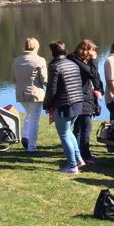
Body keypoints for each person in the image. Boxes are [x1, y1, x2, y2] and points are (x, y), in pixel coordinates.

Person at [43, 41, 85, 173]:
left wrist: (46, 105)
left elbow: (51, 90)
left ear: (52, 53)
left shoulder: (54, 66)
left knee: (64, 134)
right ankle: (78, 159)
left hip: (64, 105)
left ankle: (72, 166)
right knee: (68, 131)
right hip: (78, 103)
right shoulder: (73, 64)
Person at [68, 39, 103, 166]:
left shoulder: (76, 59)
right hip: (81, 98)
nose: (93, 53)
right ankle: (84, 155)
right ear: (86, 50)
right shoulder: (76, 61)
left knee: (78, 128)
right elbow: (92, 73)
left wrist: (100, 89)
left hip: (81, 97)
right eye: (92, 50)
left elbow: (96, 78)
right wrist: (94, 60)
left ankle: (77, 155)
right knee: (84, 129)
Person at [11, 37, 47, 152]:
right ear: (36, 46)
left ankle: (25, 137)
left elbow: (13, 78)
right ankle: (32, 147)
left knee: (28, 114)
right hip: (35, 93)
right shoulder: (40, 60)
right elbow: (45, 79)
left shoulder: (16, 60)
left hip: (20, 93)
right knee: (34, 118)